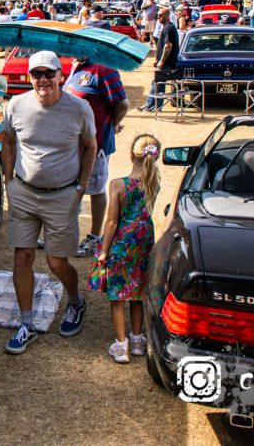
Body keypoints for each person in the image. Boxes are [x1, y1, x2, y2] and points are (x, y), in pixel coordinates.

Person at [1, 51, 96, 353]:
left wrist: (81, 186)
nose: (43, 79)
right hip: (24, 193)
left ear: (60, 75)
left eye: (48, 73)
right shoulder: (16, 105)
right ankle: (27, 323)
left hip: (62, 195)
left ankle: (76, 301)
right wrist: (8, 182)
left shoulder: (79, 108)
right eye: (36, 74)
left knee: (57, 261)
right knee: (22, 258)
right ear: (30, 78)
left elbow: (91, 145)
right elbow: (8, 142)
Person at [93, 134, 161, 363]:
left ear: (131, 154)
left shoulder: (118, 185)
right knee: (138, 293)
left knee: (118, 294)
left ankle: (121, 345)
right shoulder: (153, 182)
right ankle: (137, 340)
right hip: (144, 240)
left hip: (123, 242)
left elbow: (111, 221)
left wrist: (104, 251)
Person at [63, 57, 129, 257]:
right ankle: (66, 236)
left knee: (95, 188)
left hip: (96, 143)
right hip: (73, 143)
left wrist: (110, 125)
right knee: (73, 186)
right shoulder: (77, 66)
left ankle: (94, 237)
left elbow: (122, 104)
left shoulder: (104, 68)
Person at [139, 6, 179, 112]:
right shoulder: (166, 27)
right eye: (158, 15)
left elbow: (168, 46)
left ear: (167, 16)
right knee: (158, 83)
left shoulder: (168, 28)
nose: (158, 17)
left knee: (156, 82)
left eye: (160, 15)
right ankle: (154, 105)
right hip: (165, 62)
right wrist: (158, 60)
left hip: (167, 63)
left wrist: (161, 61)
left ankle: (150, 106)